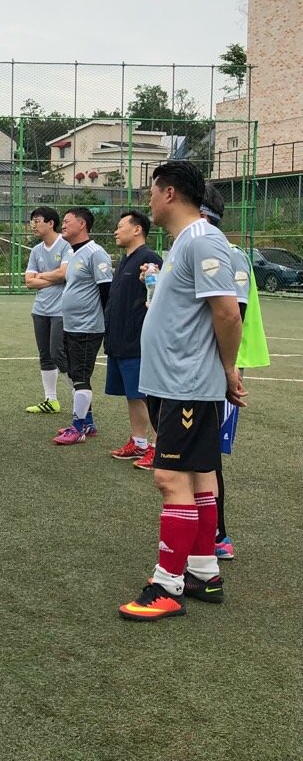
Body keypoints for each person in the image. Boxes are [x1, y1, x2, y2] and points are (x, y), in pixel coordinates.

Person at [118, 161, 244, 621]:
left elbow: (227, 313)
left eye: (152, 191)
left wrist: (228, 369)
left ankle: (167, 585)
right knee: (199, 476)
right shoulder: (185, 242)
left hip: (186, 383)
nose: (148, 200)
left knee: (170, 479)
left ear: (169, 193)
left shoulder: (203, 240)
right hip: (178, 381)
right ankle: (204, 573)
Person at [197, 186, 267, 559]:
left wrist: (228, 370)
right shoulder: (197, 249)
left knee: (209, 455)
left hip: (220, 371)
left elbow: (231, 315)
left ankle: (218, 536)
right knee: (199, 453)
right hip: (199, 370)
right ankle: (205, 531)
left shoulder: (229, 255)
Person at [34, 207, 112, 446]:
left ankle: (78, 427)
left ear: (82, 224)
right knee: (77, 374)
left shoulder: (95, 253)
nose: (63, 225)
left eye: (67, 221)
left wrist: (107, 326)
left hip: (87, 328)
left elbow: (107, 292)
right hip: (72, 325)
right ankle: (87, 422)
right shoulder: (75, 253)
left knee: (80, 376)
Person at [104, 211, 163, 462]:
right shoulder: (125, 260)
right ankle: (139, 442)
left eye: (120, 226)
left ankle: (159, 448)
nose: (115, 231)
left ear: (137, 229)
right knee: (132, 395)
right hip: (119, 342)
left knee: (147, 396)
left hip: (138, 343)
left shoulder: (149, 258)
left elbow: (158, 296)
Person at [23, 207, 72, 414]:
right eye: (32, 221)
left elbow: (64, 274)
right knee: (45, 355)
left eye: (37, 221)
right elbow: (28, 282)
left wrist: (41, 276)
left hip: (60, 310)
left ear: (51, 223)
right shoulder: (36, 250)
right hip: (40, 309)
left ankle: (80, 397)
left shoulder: (66, 245)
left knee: (57, 353)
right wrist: (53, 277)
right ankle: (51, 400)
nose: (33, 225)